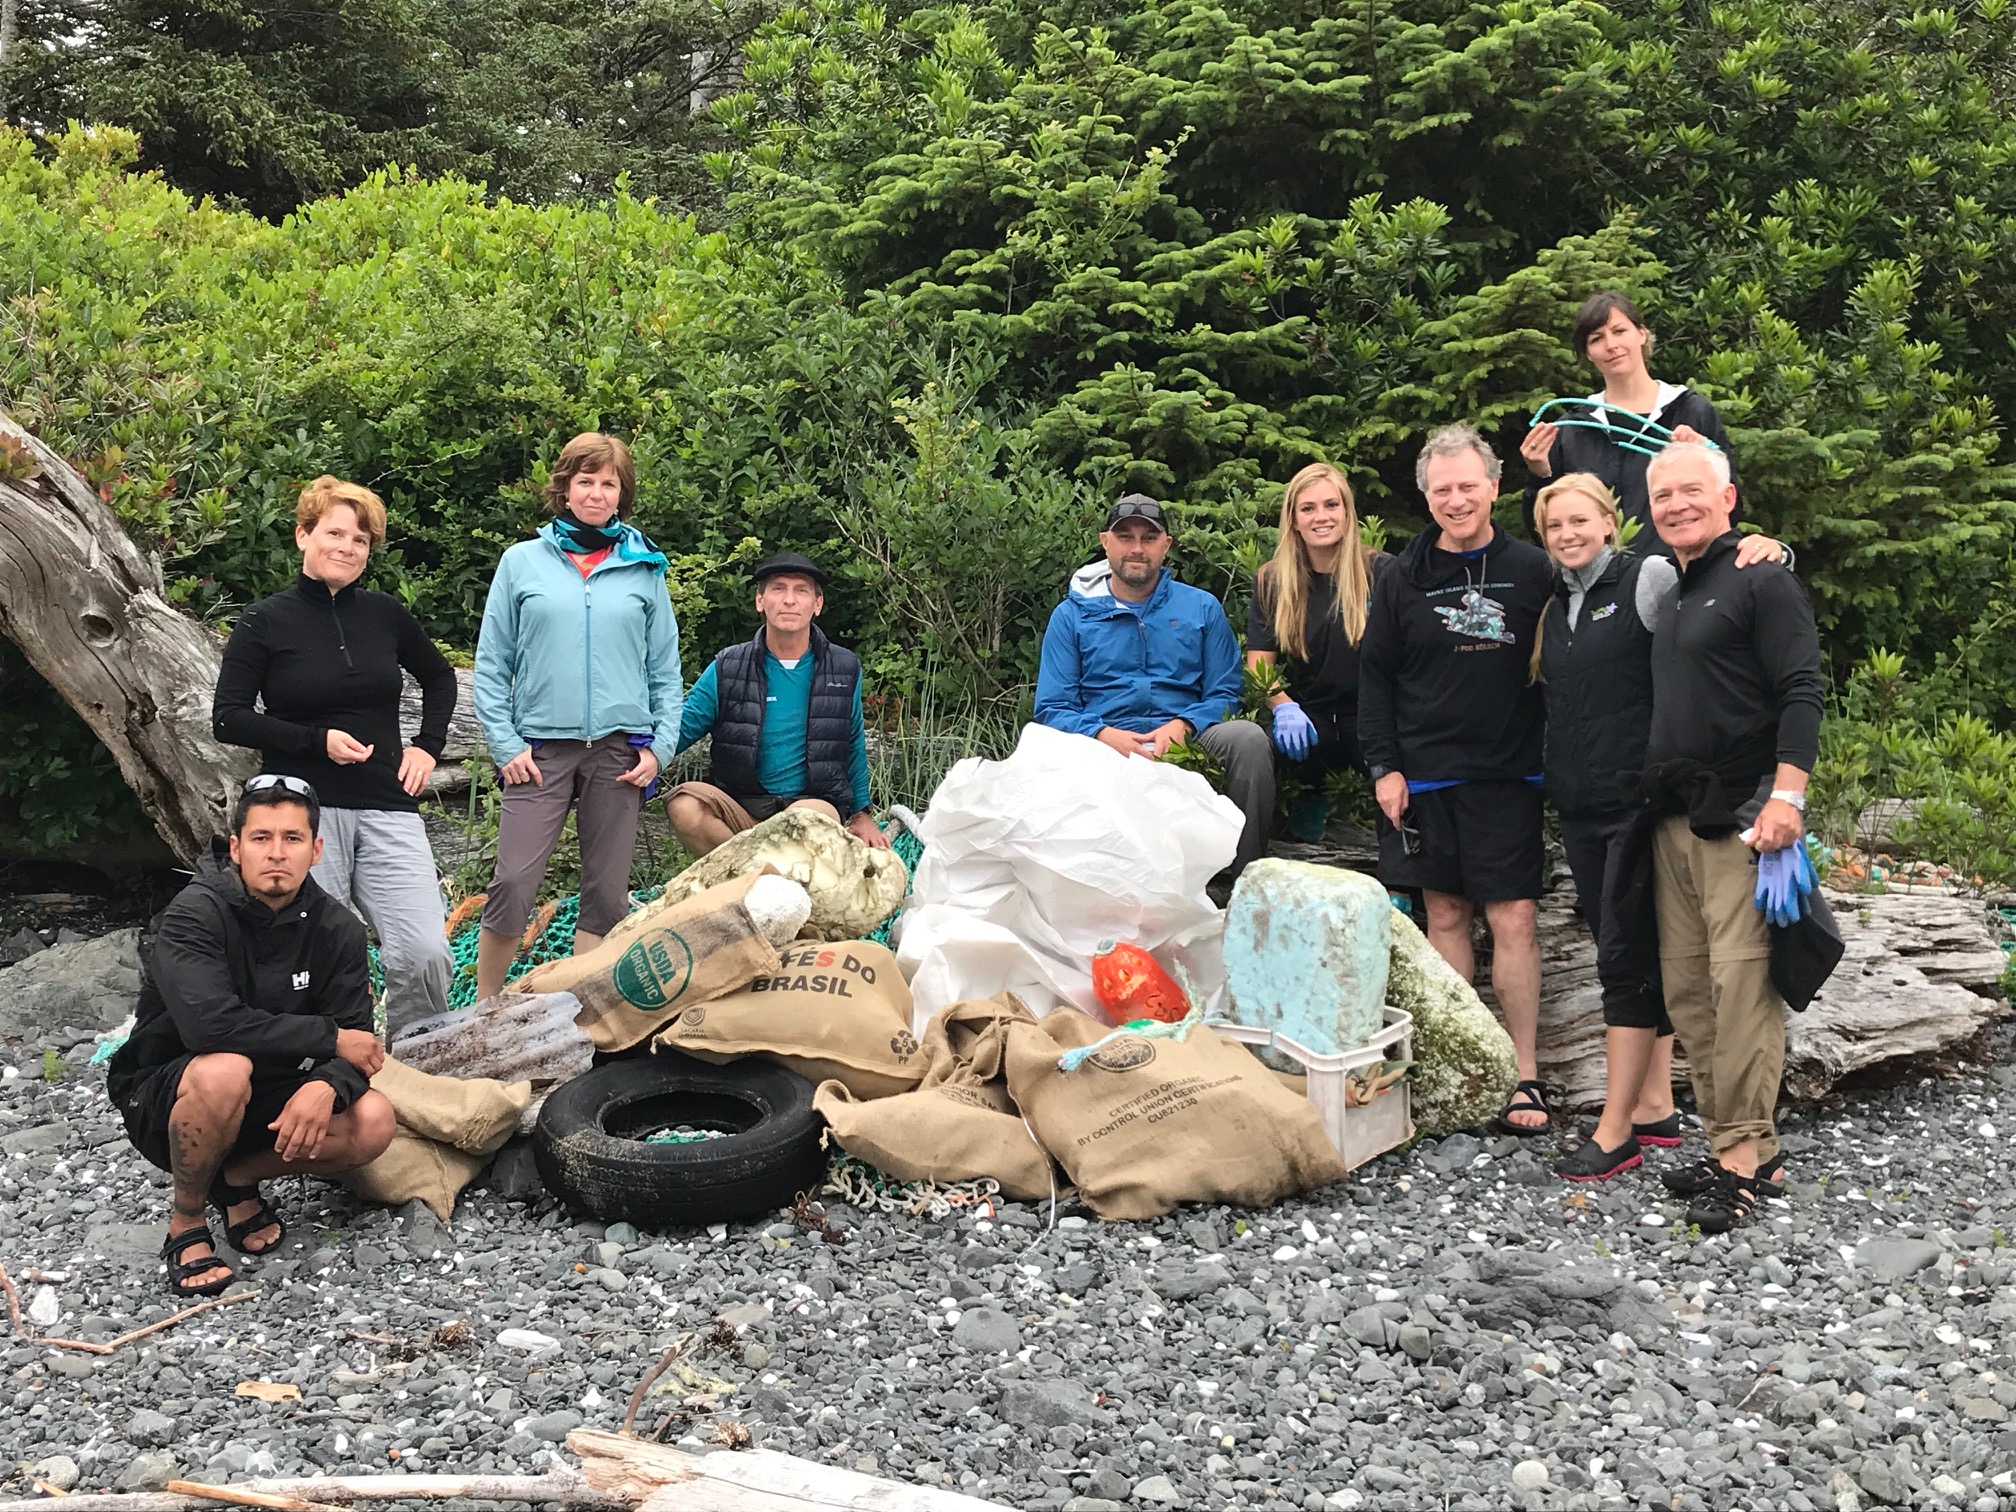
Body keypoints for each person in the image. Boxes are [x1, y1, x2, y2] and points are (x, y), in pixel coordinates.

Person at [1532, 475, 1788, 1181]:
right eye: (1554, 526)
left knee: (1626, 960)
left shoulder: (1644, 578)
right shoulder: (1556, 601)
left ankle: (1616, 1131)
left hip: (1639, 805)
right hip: (1581, 805)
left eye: (1580, 521)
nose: (1567, 535)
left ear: (1612, 522)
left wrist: (1774, 553)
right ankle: (1653, 1109)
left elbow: (1719, 605)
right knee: (1642, 954)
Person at [104, 776, 395, 1296]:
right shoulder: (194, 914)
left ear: (316, 848)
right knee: (225, 1068)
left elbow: (361, 1043)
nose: (276, 853)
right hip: (168, 1092)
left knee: (373, 1121)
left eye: (292, 838)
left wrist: (327, 1083)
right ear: (236, 847)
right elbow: (209, 1026)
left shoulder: (337, 929)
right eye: (261, 838)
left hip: (272, 1093)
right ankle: (187, 1217)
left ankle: (234, 1179)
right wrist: (328, 1041)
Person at [1638, 439, 1824, 1232]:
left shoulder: (1762, 578)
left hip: (1746, 820)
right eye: (1662, 496)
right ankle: (1736, 1143)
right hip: (1674, 818)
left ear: (1728, 497)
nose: (1676, 505)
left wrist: (1788, 795)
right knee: (1690, 991)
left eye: (1691, 491)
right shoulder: (1674, 591)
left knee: (1743, 986)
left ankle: (1743, 1163)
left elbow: (1802, 689)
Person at [212, 476, 459, 1039]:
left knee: (423, 952)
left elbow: (440, 677)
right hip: (301, 812)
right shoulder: (264, 619)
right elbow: (228, 717)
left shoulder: (385, 614)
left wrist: (427, 747)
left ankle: (419, 1070)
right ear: (303, 536)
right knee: (314, 956)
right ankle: (325, 1072)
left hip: (388, 805)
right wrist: (314, 740)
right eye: (335, 533)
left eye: (361, 540)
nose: (347, 548)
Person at [1357, 425, 1553, 1133]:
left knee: (1514, 919)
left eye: (1468, 485)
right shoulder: (1403, 574)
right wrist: (1385, 766)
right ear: (1426, 495)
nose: (1456, 499)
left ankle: (1525, 1073)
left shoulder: (1535, 569)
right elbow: (1375, 677)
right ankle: (1465, 1070)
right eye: (1442, 489)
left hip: (1509, 773)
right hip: (1425, 776)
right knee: (1443, 916)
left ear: (1495, 487)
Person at [471, 432, 682, 1001]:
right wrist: (505, 743)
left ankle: (577, 1014)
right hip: (537, 754)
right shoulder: (521, 563)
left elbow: (665, 671)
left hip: (618, 753)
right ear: (564, 489)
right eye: (584, 481)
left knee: (607, 894)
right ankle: (484, 1008)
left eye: (607, 483)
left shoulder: (644, 568)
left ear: (622, 494)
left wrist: (659, 747)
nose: (595, 492)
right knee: (513, 881)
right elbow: (491, 665)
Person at [1034, 493, 1272, 878]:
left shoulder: (1201, 607)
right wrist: (1102, 734)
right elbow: (1052, 708)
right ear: (1105, 542)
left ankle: (1244, 879)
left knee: (1248, 739)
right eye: (1125, 537)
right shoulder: (1071, 616)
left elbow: (1226, 692)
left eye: (1149, 538)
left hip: (1187, 736)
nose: (1137, 548)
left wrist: (1184, 726)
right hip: (1101, 743)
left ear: (1166, 546)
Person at [665, 552, 890, 857]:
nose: (789, 600)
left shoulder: (843, 666)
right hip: (741, 807)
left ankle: (746, 874)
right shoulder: (728, 666)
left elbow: (853, 742)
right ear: (761, 601)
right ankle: (756, 873)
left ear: (817, 604)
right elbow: (680, 728)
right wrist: (636, 757)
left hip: (812, 806)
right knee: (684, 804)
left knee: (806, 817)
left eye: (801, 590)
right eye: (778, 588)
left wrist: (862, 814)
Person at [1245, 463, 1391, 841]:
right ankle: (1266, 856)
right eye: (1308, 508)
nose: (1321, 517)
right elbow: (1259, 664)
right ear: (1293, 519)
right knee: (1264, 757)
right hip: (1309, 719)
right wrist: (1282, 707)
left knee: (1400, 796)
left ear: (1347, 511)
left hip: (1373, 717)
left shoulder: (1383, 571)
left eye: (1331, 505)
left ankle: (1403, 883)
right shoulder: (1272, 580)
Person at [1520, 291, 1737, 544]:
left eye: (1620, 331)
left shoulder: (1691, 412)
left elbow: (1730, 505)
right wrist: (1540, 475)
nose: (1611, 345)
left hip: (1685, 575)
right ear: (1589, 353)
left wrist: (1706, 458)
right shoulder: (1573, 429)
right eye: (1597, 338)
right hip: (1600, 581)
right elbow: (1547, 531)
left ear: (1641, 334)